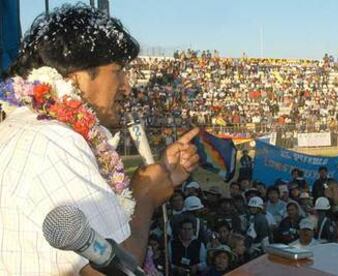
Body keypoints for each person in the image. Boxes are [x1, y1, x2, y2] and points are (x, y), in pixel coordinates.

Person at [0, 5, 200, 275]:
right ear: (77, 76)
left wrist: (160, 173)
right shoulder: (55, 141)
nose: (127, 85)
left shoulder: (22, 127)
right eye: (118, 71)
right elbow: (111, 268)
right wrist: (144, 197)